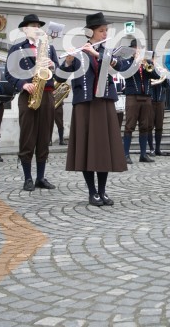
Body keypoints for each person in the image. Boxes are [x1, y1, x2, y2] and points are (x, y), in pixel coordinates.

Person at [54, 12, 130, 206]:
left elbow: (120, 66)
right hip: (85, 105)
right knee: (87, 148)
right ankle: (92, 192)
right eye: (101, 30)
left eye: (106, 30)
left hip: (104, 104)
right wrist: (68, 61)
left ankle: (102, 191)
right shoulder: (79, 52)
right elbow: (60, 78)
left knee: (103, 148)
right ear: (91, 32)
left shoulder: (107, 52)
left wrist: (97, 54)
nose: (105, 33)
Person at [6, 14, 58, 192]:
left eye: (38, 26)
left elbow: (59, 71)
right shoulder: (17, 48)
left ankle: (40, 177)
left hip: (47, 94)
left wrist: (53, 65)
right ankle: (28, 178)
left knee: (44, 137)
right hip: (28, 94)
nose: (36, 28)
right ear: (24, 29)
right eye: (32, 26)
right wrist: (22, 84)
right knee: (27, 136)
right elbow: (9, 73)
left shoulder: (49, 48)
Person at [122, 40, 158, 164]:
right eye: (136, 48)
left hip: (146, 97)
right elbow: (125, 73)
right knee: (129, 126)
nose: (139, 51)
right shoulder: (127, 62)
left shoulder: (147, 62)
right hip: (132, 97)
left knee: (145, 126)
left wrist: (147, 66)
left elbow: (156, 75)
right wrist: (136, 63)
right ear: (132, 49)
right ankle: (126, 155)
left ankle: (143, 154)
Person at [149, 74, 167, 156]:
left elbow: (166, 86)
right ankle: (151, 149)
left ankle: (157, 149)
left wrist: (165, 77)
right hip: (150, 101)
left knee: (159, 126)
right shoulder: (149, 71)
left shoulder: (161, 71)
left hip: (160, 101)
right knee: (149, 126)